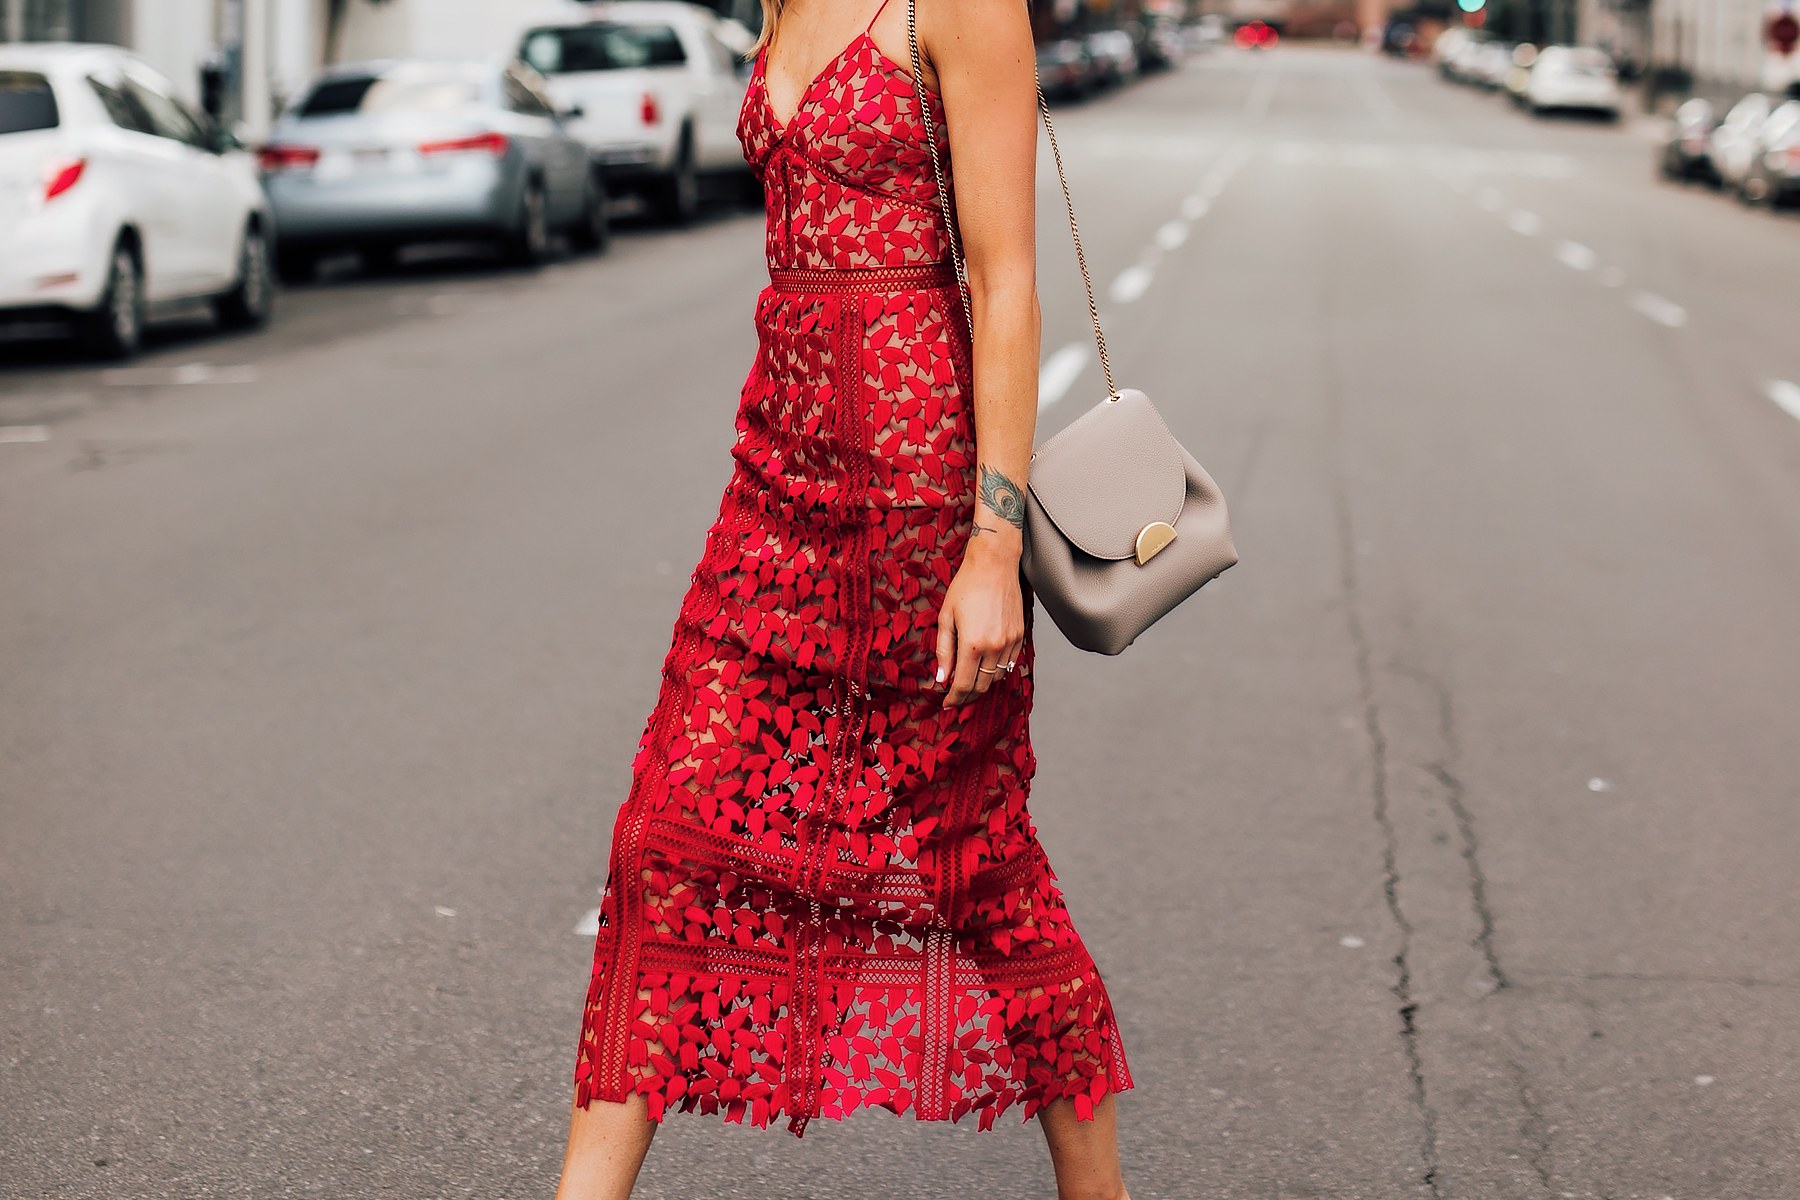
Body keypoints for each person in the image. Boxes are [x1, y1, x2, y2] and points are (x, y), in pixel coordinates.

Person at [554, 0, 1131, 1195]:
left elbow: (1007, 279)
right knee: (663, 841)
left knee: (977, 869)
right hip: (777, 474)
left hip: (921, 495)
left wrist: (993, 543)